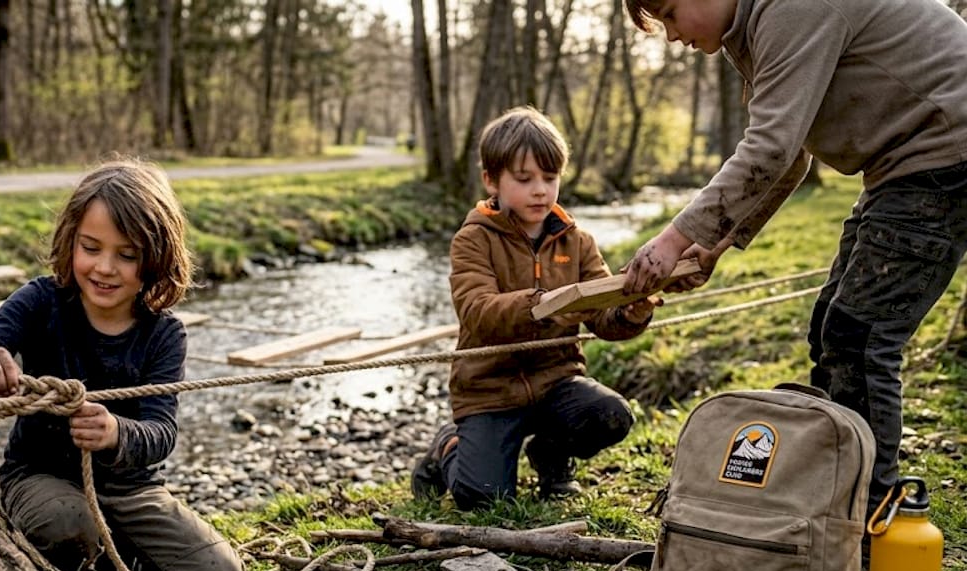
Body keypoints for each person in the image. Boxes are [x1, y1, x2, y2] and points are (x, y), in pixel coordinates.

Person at [620, 0, 967, 516]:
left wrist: (670, 241)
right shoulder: (754, 27)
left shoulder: (792, 8)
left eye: (670, 13)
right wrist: (714, 243)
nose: (671, 35)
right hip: (901, 167)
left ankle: (867, 517)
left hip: (945, 156)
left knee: (861, 338)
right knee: (831, 328)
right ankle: (831, 494)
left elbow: (770, 149)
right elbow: (791, 154)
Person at [0, 159, 244, 571]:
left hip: (132, 489)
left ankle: (112, 554)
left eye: (127, 255)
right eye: (91, 247)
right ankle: (85, 550)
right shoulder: (41, 301)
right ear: (71, 241)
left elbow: (162, 433)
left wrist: (115, 432)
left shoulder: (165, 334)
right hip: (41, 476)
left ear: (156, 259)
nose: (104, 267)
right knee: (68, 523)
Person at [412, 106, 662, 510]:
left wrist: (631, 312)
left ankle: (551, 455)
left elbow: (602, 316)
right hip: (489, 391)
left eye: (550, 178)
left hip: (556, 381)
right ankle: (448, 448)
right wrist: (542, 305)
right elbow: (477, 310)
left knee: (612, 415)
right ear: (491, 180)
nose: (541, 190)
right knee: (484, 500)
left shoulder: (577, 241)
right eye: (525, 179)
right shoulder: (472, 240)